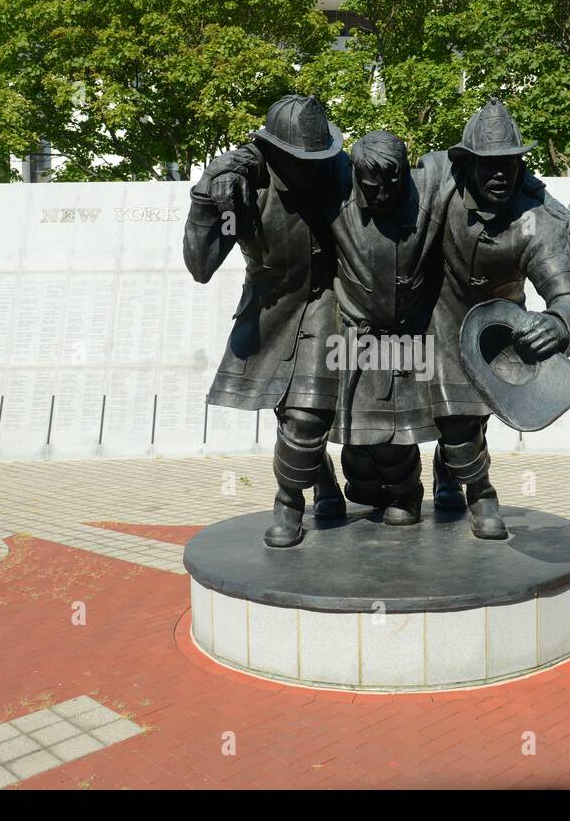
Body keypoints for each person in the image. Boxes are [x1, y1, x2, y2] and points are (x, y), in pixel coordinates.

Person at [416, 97, 570, 539]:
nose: (500, 174)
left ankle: (453, 475)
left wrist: (558, 323)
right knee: (457, 417)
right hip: (437, 312)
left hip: (496, 325)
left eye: (510, 163)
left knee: (473, 418)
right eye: (488, 164)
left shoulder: (539, 218)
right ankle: (479, 490)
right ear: (466, 163)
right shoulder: (437, 180)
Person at [182, 95, 349, 548]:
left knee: (306, 411)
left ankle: (288, 501)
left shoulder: (341, 170)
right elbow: (201, 267)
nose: (313, 168)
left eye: (319, 158)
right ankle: (320, 485)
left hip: (329, 301)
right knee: (289, 410)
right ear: (275, 152)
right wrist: (204, 202)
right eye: (302, 160)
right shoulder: (241, 187)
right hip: (272, 307)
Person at [325, 131, 443, 525]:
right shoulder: (335, 187)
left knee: (395, 435)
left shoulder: (427, 187)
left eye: (393, 184)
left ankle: (408, 493)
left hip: (409, 337)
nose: (382, 195)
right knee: (357, 441)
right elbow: (286, 158)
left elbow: (472, 162)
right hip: (354, 336)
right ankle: (364, 488)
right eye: (372, 186)